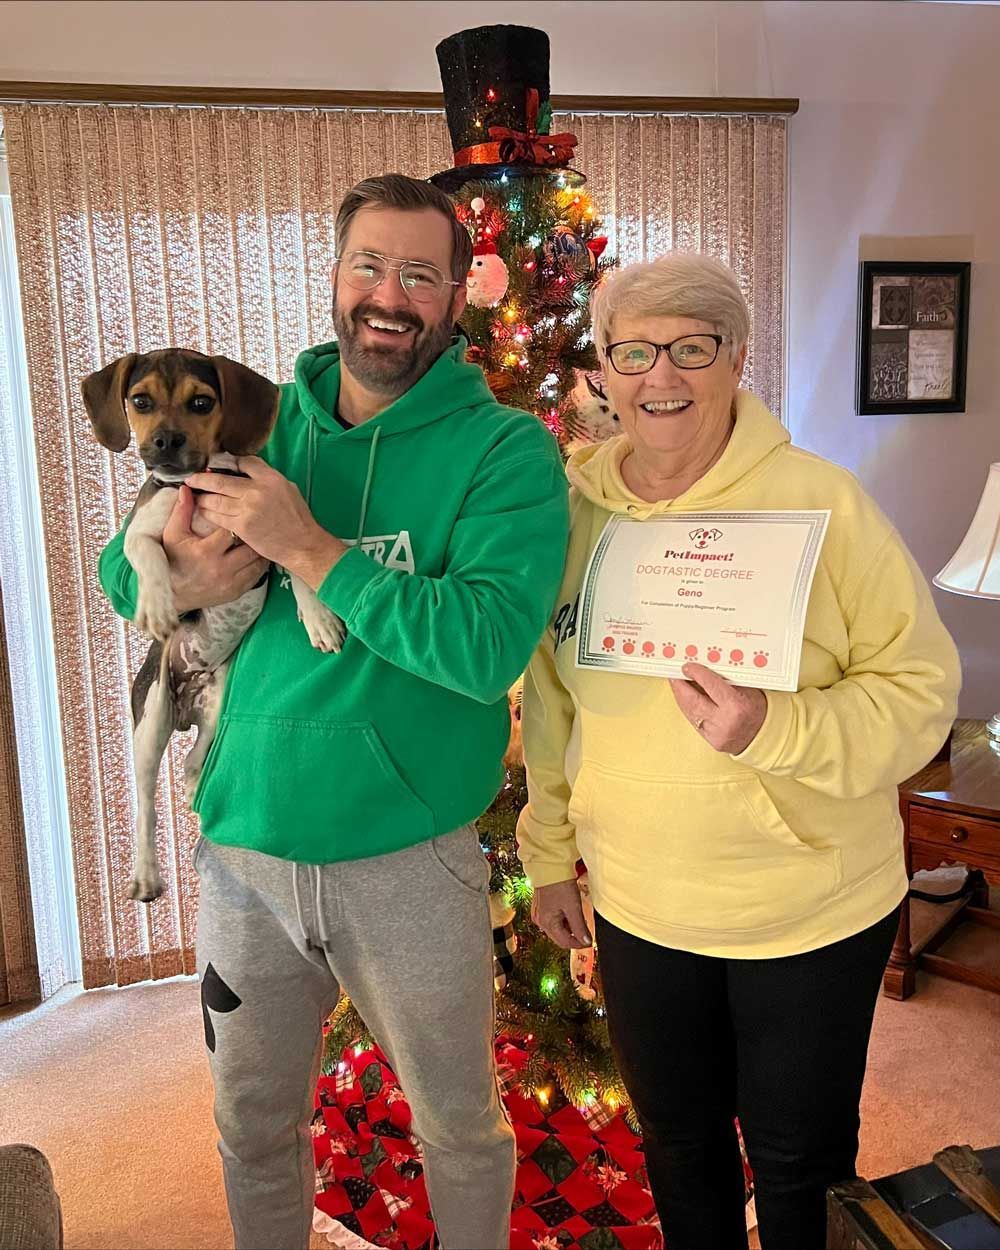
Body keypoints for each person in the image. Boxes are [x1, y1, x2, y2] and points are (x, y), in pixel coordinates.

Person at [99, 173, 570, 1250]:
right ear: (335, 274)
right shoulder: (254, 421)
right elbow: (124, 572)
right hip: (244, 853)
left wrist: (313, 550)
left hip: (409, 859)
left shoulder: (505, 451)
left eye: (419, 274)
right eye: (369, 265)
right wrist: (185, 576)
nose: (389, 296)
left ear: (456, 296)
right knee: (250, 1127)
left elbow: (487, 647)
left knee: (459, 1128)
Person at [517, 251, 960, 1250]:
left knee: (800, 1163)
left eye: (691, 347)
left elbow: (921, 692)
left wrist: (777, 728)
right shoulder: (569, 515)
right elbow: (549, 700)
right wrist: (548, 852)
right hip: (640, 903)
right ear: (602, 367)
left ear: (737, 358)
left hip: (806, 908)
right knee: (678, 1147)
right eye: (633, 351)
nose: (660, 377)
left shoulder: (824, 503)